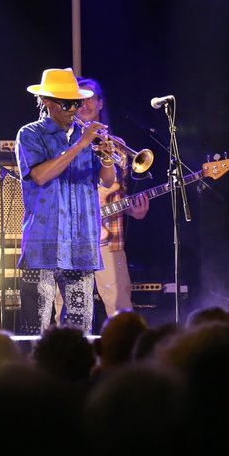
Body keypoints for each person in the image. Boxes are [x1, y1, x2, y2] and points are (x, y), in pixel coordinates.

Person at [16, 68, 117, 335]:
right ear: (47, 101)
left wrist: (106, 156)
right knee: (36, 332)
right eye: (67, 102)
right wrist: (80, 144)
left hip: (82, 245)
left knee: (80, 332)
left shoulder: (87, 136)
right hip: (43, 245)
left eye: (77, 102)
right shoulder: (30, 134)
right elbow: (40, 175)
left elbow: (107, 181)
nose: (75, 108)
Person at [77, 77, 148, 319]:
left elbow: (120, 193)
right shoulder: (65, 144)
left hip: (111, 238)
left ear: (99, 104)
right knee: (61, 307)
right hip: (71, 239)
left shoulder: (118, 146)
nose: (84, 105)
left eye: (90, 99)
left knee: (120, 310)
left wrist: (133, 210)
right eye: (79, 100)